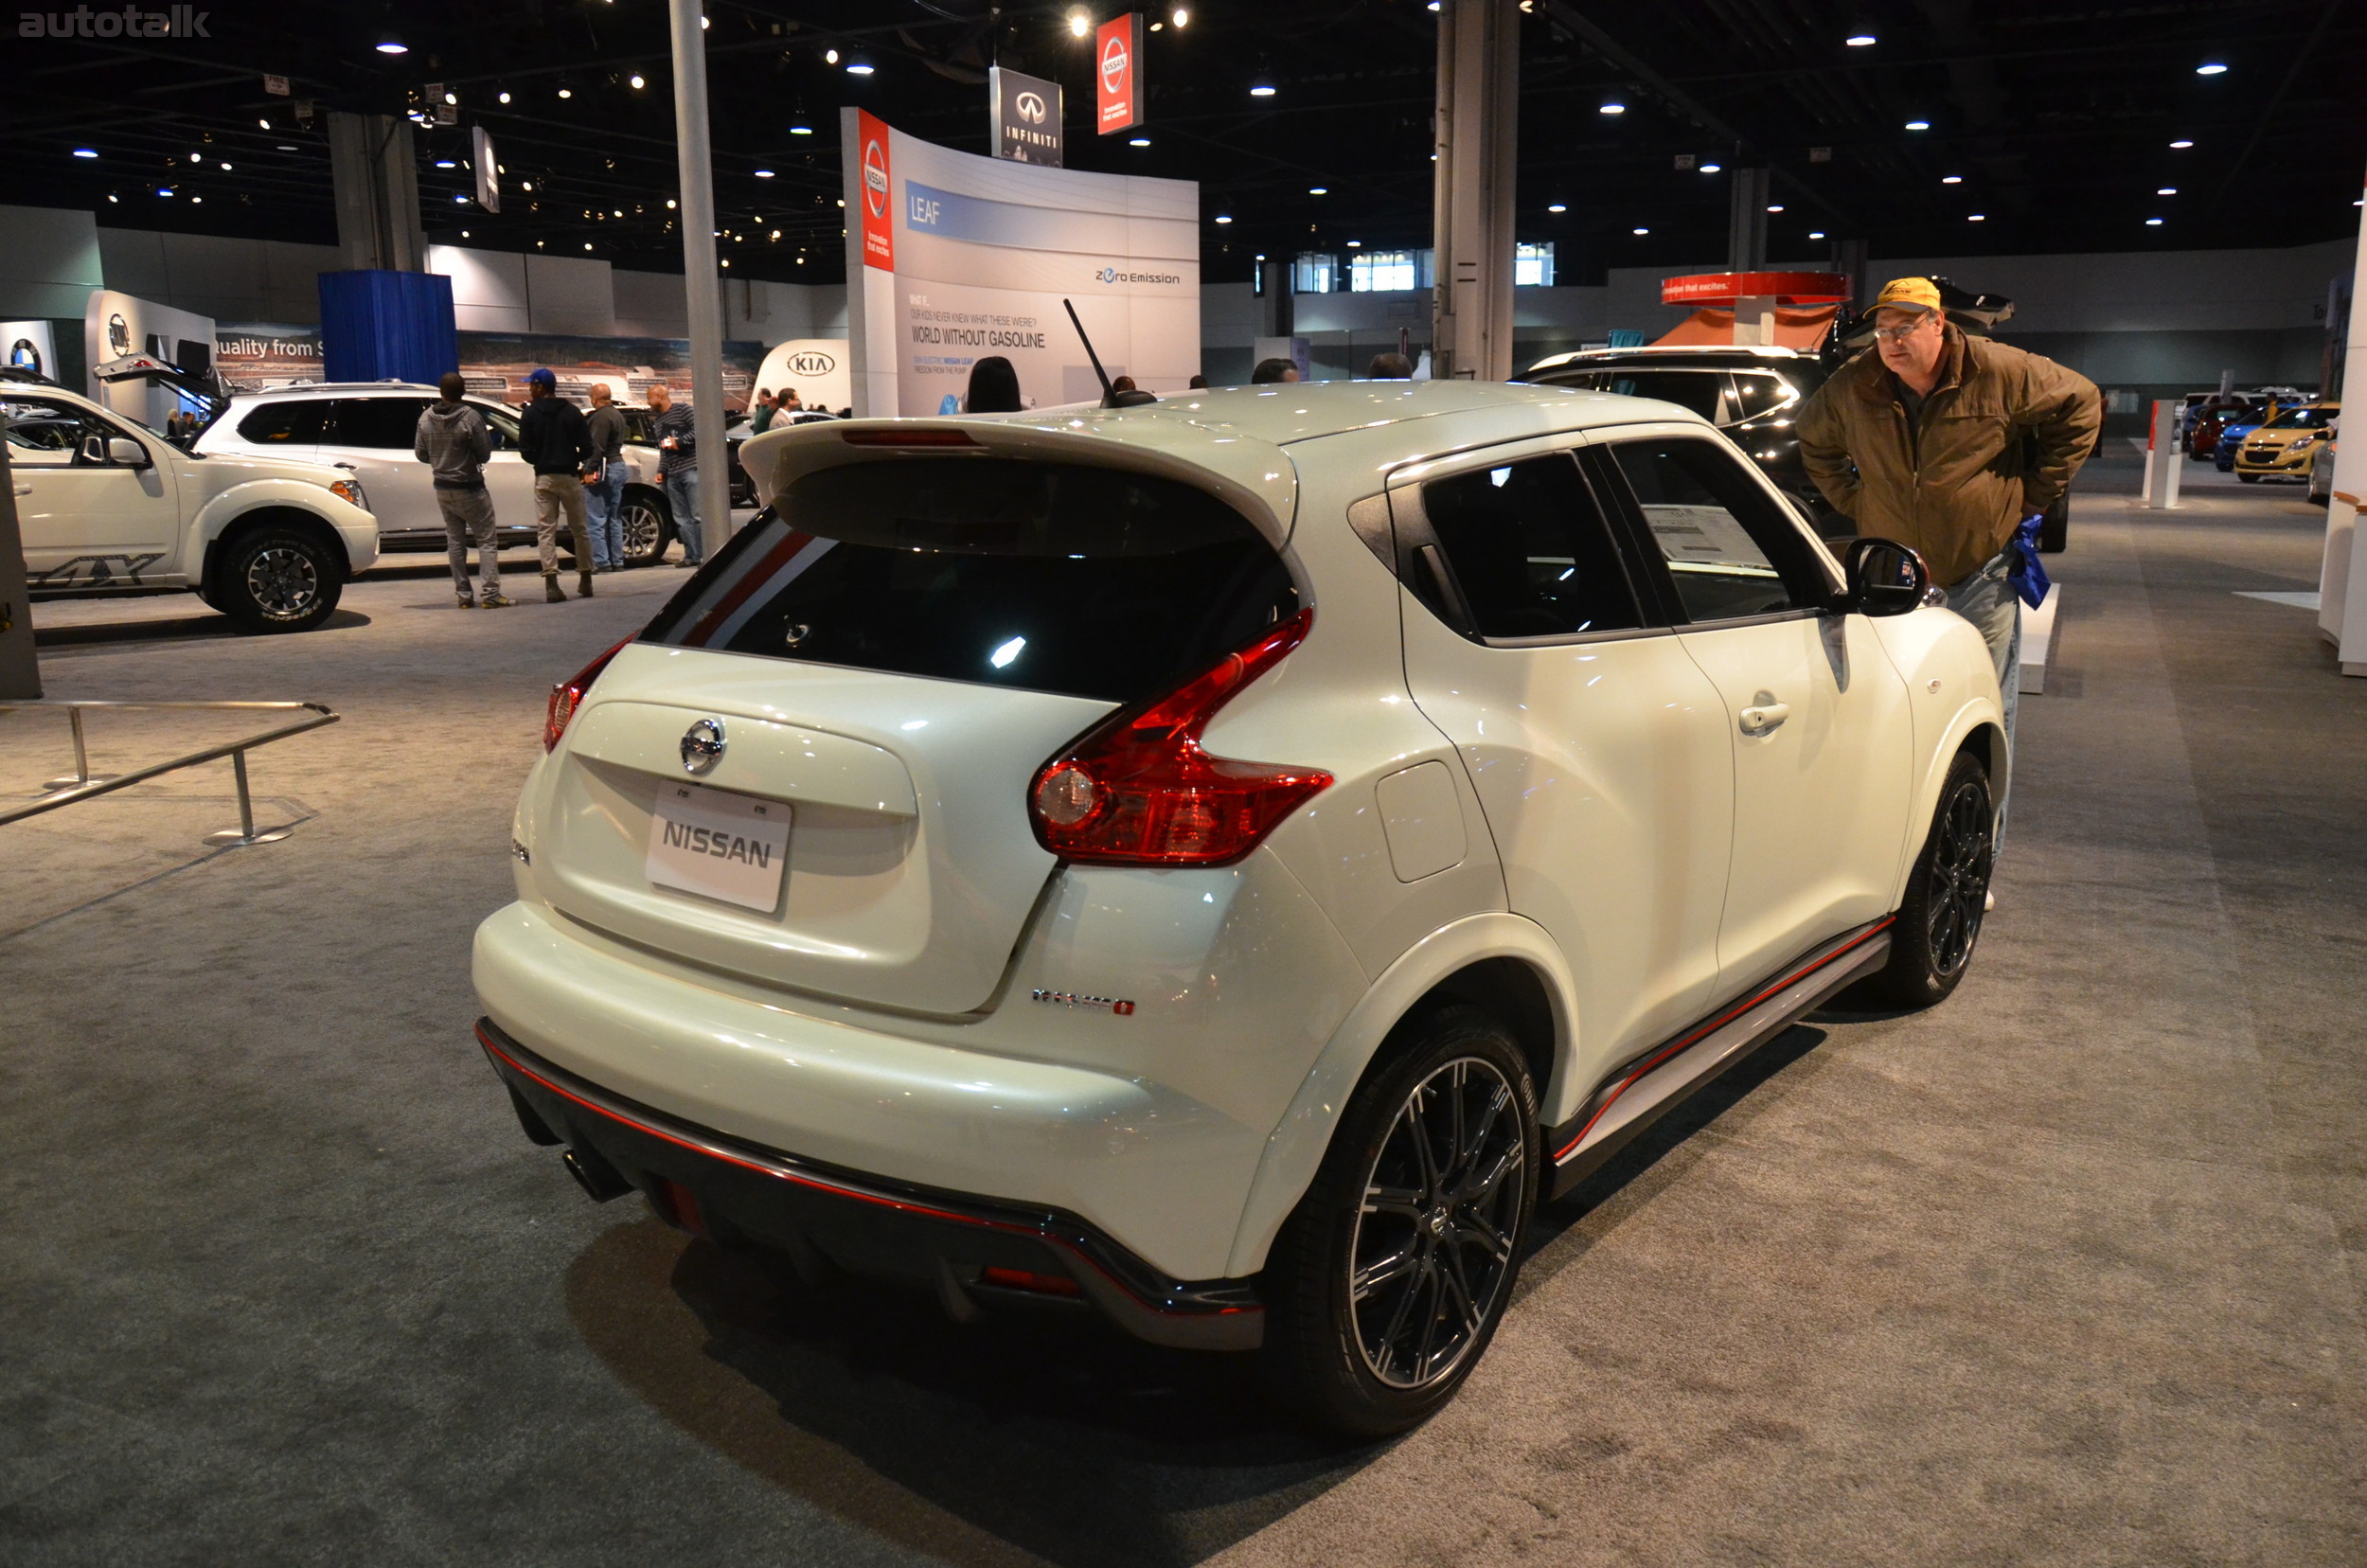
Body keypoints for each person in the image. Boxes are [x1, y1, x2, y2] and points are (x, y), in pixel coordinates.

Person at [1796, 276, 2101, 855]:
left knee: (1981, 717)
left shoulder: (1999, 371)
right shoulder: (1857, 383)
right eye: (1883, 330)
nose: (1891, 342)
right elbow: (1815, 441)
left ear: (1939, 325)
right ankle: (1894, 850)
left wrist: (2035, 494)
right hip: (1894, 581)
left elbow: (2080, 402)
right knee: (1893, 711)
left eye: (1905, 328)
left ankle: (1972, 857)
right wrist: (1859, 504)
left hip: (1978, 573)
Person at [415, 372, 510, 608]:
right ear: (463, 391)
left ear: (441, 392)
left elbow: (420, 454)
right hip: (471, 487)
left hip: (443, 488)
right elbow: (485, 454)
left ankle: (464, 596)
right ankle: (490, 595)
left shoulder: (425, 418)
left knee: (455, 542)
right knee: (486, 541)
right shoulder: (471, 417)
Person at [518, 367, 598, 601]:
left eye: (531, 385)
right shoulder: (572, 412)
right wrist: (577, 461)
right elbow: (587, 447)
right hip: (570, 477)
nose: (529, 389)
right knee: (580, 529)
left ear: (540, 387)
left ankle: (552, 584)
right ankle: (585, 579)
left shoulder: (530, 414)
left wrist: (540, 459)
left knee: (546, 531)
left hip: (544, 478)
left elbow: (525, 450)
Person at [646, 383, 703, 567]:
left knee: (697, 515)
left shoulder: (683, 410)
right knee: (680, 518)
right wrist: (661, 471)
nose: (648, 401)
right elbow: (663, 449)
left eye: (650, 397)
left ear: (660, 396)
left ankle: (704, 554)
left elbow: (699, 430)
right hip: (673, 474)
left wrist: (679, 441)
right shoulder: (659, 422)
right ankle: (691, 555)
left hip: (691, 469)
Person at [582, 381, 629, 573]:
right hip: (618, 466)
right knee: (615, 518)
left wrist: (588, 470)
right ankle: (617, 560)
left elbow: (597, 447)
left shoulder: (601, 417)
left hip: (604, 468)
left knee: (596, 518)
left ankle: (601, 561)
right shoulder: (617, 415)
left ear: (594, 398)